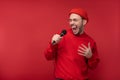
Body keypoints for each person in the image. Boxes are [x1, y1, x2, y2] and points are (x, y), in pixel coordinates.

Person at [44, 8, 100, 80]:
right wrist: (53, 44)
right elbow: (48, 57)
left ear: (84, 22)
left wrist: (90, 57)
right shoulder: (61, 36)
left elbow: (93, 66)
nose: (71, 23)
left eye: (75, 20)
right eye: (70, 20)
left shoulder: (90, 41)